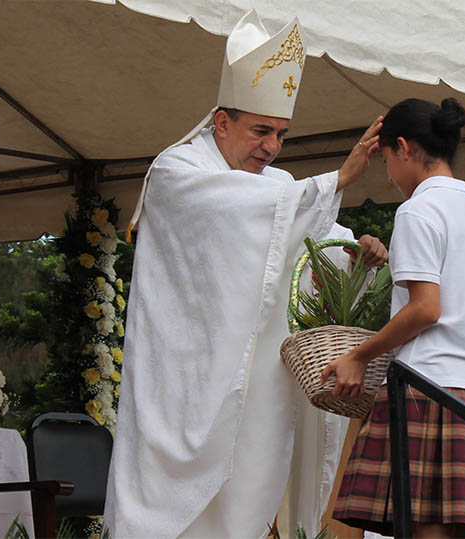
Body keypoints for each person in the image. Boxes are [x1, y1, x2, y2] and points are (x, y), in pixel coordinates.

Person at [103, 10, 387, 538]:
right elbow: (242, 213)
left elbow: (303, 249)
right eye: (261, 131)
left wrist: (353, 258)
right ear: (222, 122)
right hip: (186, 378)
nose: (272, 147)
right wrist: (333, 181)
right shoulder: (177, 171)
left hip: (258, 380)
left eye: (281, 134)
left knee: (250, 503)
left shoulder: (274, 185)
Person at [324, 97, 465, 539]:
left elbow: (425, 309)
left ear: (403, 148)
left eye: (387, 162)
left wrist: (359, 355)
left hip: (432, 390)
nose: (390, 176)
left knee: (426, 533)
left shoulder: (417, 209)